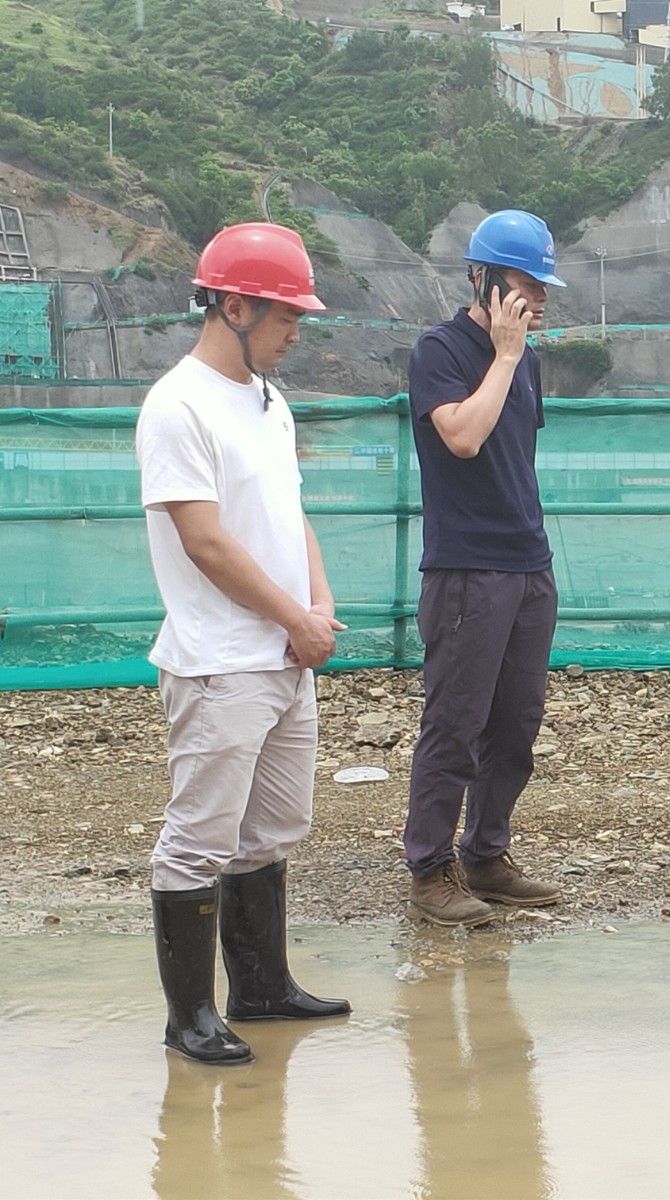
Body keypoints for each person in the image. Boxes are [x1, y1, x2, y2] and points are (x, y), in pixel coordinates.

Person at [137, 222, 351, 1066]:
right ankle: (189, 1016)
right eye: (286, 316)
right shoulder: (177, 406)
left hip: (284, 654)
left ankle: (260, 988)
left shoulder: (268, 401)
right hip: (220, 661)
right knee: (199, 837)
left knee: (273, 828)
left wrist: (317, 602)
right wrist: (294, 618)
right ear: (234, 307)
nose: (297, 332)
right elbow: (205, 541)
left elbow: (289, 512)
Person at [403, 210, 566, 926]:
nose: (538, 298)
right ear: (483, 278)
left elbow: (514, 458)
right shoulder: (440, 350)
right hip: (467, 567)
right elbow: (464, 439)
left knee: (516, 722)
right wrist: (502, 357)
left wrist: (514, 355)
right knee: (455, 722)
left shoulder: (528, 359)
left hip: (528, 563)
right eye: (525, 283)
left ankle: (487, 853)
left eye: (543, 285)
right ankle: (430, 869)